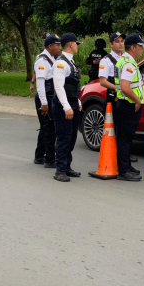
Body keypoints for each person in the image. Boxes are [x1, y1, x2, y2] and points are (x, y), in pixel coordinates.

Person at [98, 32, 139, 163]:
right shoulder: (106, 60)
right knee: (114, 129)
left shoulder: (126, 59)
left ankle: (124, 155)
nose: (120, 43)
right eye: (117, 41)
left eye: (122, 41)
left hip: (124, 99)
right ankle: (114, 156)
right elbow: (103, 81)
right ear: (111, 44)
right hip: (113, 100)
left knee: (124, 130)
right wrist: (120, 88)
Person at [114, 33, 144, 181]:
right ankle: (123, 170)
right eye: (140, 46)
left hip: (123, 103)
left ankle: (125, 165)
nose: (142, 49)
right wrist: (137, 101)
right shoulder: (129, 64)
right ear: (133, 47)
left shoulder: (123, 60)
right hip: (129, 105)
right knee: (125, 139)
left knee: (124, 137)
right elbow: (125, 87)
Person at [52, 32, 83, 182]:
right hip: (63, 105)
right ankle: (60, 169)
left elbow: (73, 85)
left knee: (71, 138)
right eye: (76, 43)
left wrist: (77, 102)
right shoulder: (61, 63)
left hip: (72, 103)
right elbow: (58, 87)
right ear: (71, 44)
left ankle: (67, 166)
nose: (77, 46)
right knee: (64, 137)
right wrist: (66, 107)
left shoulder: (70, 62)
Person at [33, 34, 60, 168]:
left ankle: (39, 156)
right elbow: (40, 84)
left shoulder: (51, 58)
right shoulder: (42, 60)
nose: (59, 47)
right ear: (50, 46)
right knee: (49, 128)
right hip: (45, 97)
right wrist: (44, 103)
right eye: (57, 45)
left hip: (50, 96)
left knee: (46, 127)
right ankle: (50, 159)